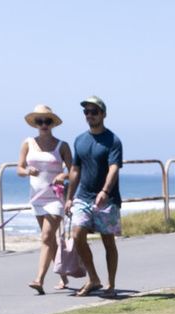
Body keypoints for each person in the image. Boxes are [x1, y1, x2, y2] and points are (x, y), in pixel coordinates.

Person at [66, 95, 123, 298]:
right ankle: (93, 278)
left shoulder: (113, 141)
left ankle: (111, 284)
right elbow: (75, 169)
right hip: (83, 196)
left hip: (107, 199)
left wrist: (105, 192)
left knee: (108, 241)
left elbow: (114, 169)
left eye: (94, 111)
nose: (90, 115)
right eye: (86, 112)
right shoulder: (80, 140)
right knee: (76, 234)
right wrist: (69, 197)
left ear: (103, 114)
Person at [19, 103, 75, 294]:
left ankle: (39, 280)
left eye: (47, 121)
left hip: (56, 197)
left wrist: (63, 176)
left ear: (52, 124)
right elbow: (19, 169)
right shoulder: (28, 143)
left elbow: (75, 171)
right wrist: (27, 171)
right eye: (40, 121)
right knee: (50, 240)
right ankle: (63, 276)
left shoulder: (62, 145)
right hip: (37, 197)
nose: (44, 124)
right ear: (35, 123)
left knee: (45, 237)